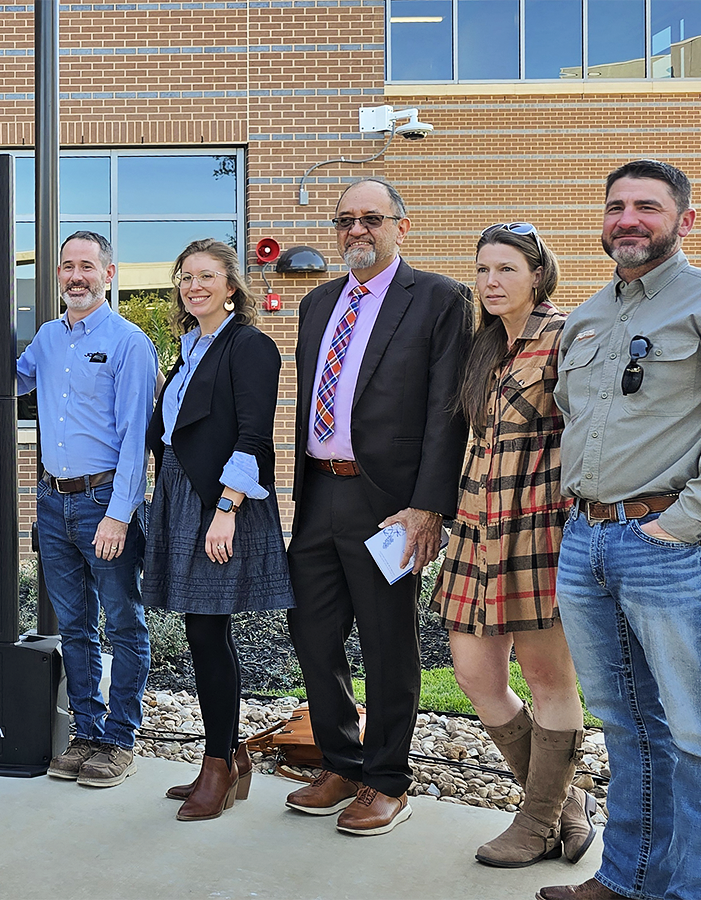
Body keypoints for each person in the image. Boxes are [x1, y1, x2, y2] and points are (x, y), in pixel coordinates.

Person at [543, 159, 701, 900]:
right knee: (624, 724)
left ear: (685, 220)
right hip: (587, 542)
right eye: (616, 205)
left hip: (672, 546)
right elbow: (576, 419)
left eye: (647, 206)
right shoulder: (586, 317)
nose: (628, 218)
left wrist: (687, 520)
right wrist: (576, 520)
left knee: (698, 738)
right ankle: (628, 880)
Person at [284, 178, 472, 835]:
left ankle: (387, 779)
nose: (355, 230)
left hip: (390, 503)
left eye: (370, 218)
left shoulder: (441, 300)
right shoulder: (317, 304)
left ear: (401, 225)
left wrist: (428, 508)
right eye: (344, 221)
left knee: (387, 641)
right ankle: (341, 762)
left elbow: (448, 412)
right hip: (318, 492)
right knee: (312, 632)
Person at [427, 224, 594, 866]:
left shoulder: (568, 335)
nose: (491, 282)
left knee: (551, 680)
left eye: (506, 269)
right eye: (483, 270)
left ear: (537, 275)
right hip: (477, 524)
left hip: (541, 528)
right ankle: (564, 804)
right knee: (475, 675)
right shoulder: (484, 346)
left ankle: (534, 823)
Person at [142, 238, 293, 818]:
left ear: (232, 286)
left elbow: (252, 433)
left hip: (221, 500)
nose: (193, 285)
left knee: (207, 632)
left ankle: (219, 764)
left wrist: (226, 510)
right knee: (203, 629)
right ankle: (228, 756)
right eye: (185, 276)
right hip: (182, 495)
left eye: (206, 275)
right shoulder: (189, 348)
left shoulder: (249, 345)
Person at [17, 231, 157, 788]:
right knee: (74, 627)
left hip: (105, 501)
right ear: (56, 276)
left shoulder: (129, 342)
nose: (76, 276)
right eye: (67, 267)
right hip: (52, 501)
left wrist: (119, 515)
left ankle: (121, 738)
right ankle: (87, 732)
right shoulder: (48, 338)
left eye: (87, 267)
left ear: (109, 273)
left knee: (123, 623)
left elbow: (135, 439)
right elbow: (11, 379)